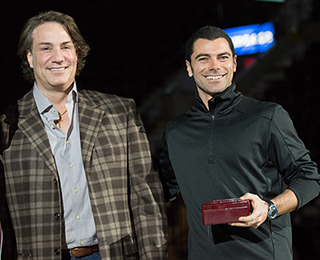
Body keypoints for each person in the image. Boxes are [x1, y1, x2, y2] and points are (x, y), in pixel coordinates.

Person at [0, 11, 168, 260]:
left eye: (66, 47)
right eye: (46, 48)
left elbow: (147, 200)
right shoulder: (6, 124)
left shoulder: (120, 112)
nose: (58, 57)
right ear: (30, 57)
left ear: (76, 54)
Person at [158, 25, 320, 259]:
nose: (214, 66)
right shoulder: (175, 132)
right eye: (203, 58)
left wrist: (270, 208)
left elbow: (309, 177)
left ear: (234, 63)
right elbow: (159, 190)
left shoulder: (267, 116)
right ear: (189, 68)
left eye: (222, 57)